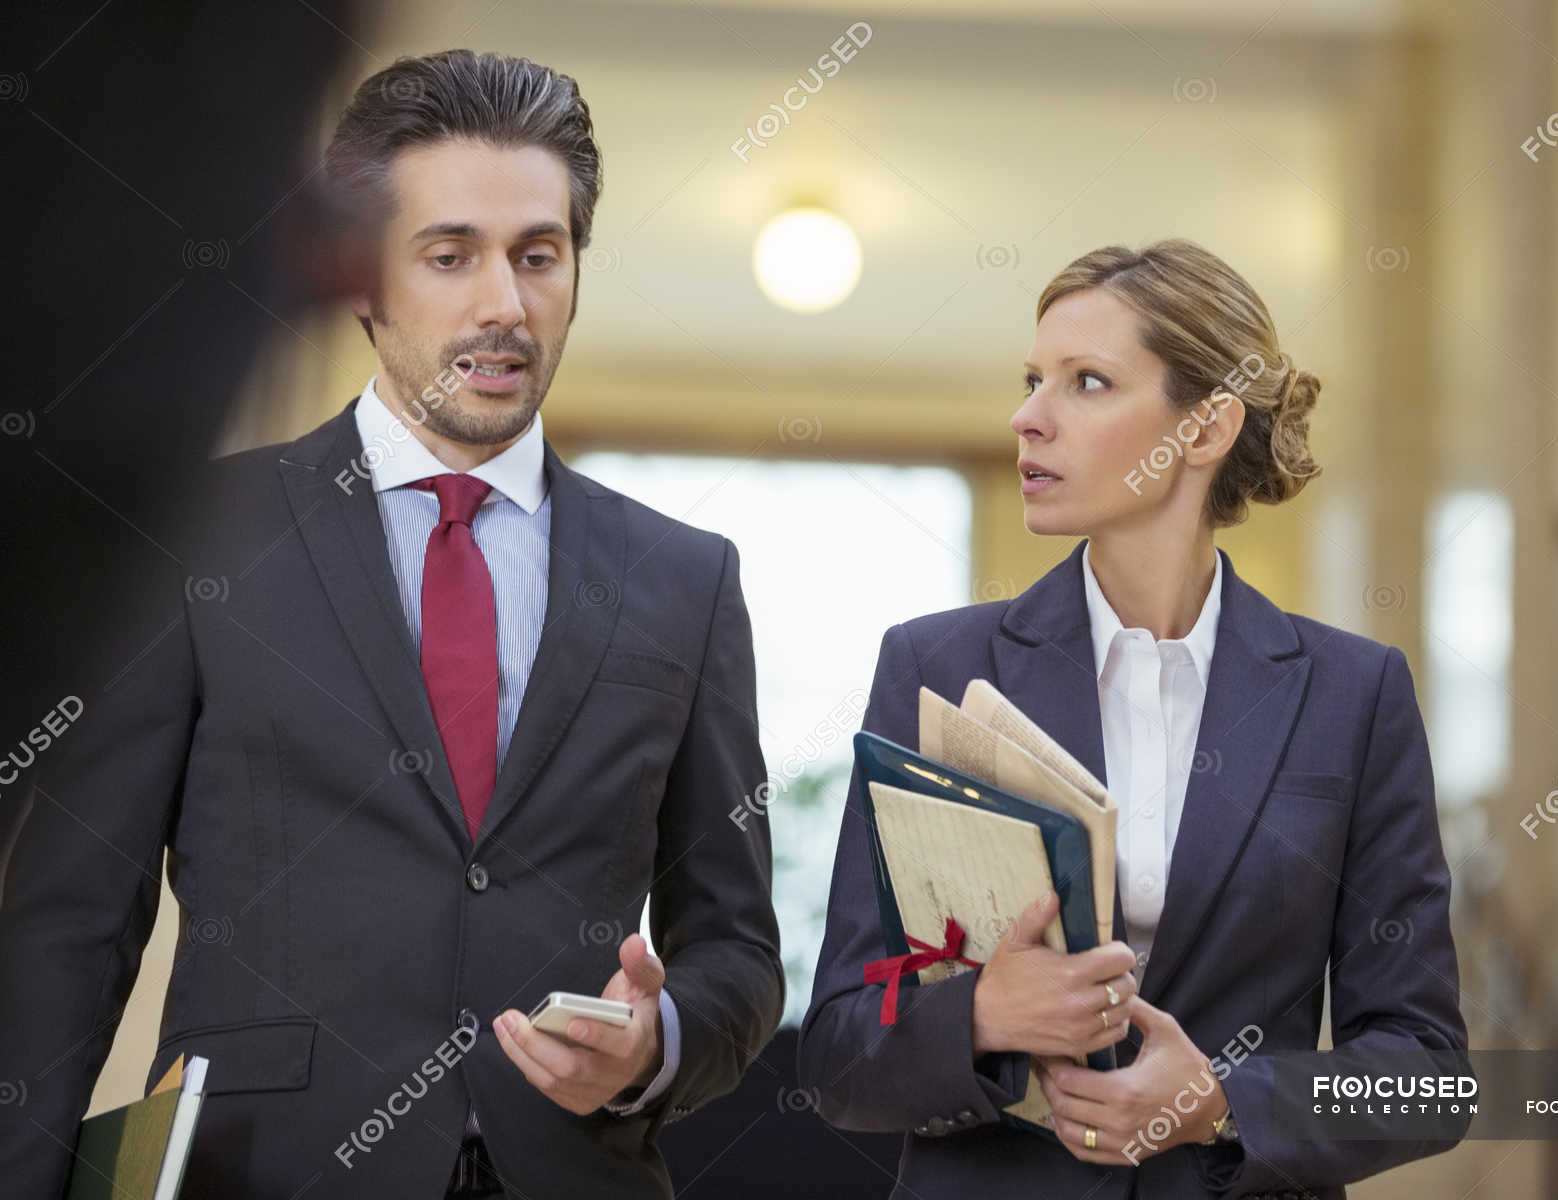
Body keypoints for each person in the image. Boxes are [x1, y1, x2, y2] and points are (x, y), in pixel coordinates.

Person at [0, 49, 782, 1199]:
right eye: (450, 254)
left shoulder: (685, 578)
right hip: (263, 1171)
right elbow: (69, 925)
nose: (503, 304)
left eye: (539, 255)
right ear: (362, 276)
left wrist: (655, 1047)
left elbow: (739, 949)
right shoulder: (191, 537)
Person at [798, 239, 1468, 1199]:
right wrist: (982, 1013)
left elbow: (1426, 1075)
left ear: (1204, 429)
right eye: (1033, 381)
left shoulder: (1353, 695)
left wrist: (1224, 1099)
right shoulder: (934, 667)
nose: (1028, 419)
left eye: (1088, 383)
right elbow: (835, 1057)